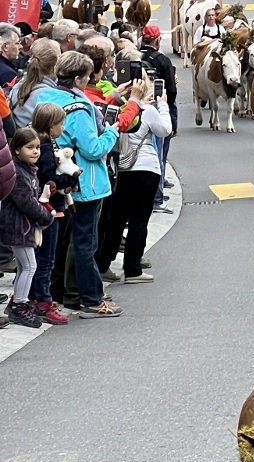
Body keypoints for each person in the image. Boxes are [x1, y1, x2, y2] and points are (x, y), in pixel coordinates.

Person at [39, 49, 121, 319]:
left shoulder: (47, 97)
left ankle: (61, 292)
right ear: (77, 79)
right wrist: (112, 131)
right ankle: (91, 298)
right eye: (87, 76)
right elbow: (93, 149)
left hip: (57, 179)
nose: (90, 80)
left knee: (63, 242)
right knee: (85, 242)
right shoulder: (79, 108)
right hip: (85, 181)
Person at [96, 76, 169, 285]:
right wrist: (163, 106)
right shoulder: (148, 111)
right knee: (139, 220)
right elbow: (165, 130)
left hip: (123, 169)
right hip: (146, 168)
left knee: (116, 220)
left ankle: (103, 264)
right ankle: (132, 268)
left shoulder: (116, 111)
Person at [0, 128, 54, 328]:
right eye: (29, 147)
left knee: (25, 266)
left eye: (37, 147)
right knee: (30, 266)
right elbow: (26, 202)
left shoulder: (28, 170)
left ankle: (17, 303)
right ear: (16, 150)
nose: (35, 151)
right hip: (18, 227)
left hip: (23, 226)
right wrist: (45, 215)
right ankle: (19, 306)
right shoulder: (18, 173)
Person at [29, 103, 71, 326]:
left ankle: (30, 298)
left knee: (39, 257)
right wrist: (70, 180)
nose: (62, 128)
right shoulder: (45, 148)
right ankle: (43, 302)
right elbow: (49, 178)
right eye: (60, 123)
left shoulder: (43, 144)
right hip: (49, 209)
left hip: (48, 207)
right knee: (46, 258)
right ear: (51, 125)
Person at [139, 25, 177, 215]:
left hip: (137, 108)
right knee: (159, 154)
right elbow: (171, 90)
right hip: (158, 109)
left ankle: (151, 194)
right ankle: (157, 197)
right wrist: (171, 115)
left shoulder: (135, 57)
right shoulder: (162, 60)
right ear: (157, 40)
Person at [10, 39, 59, 128]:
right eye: (59, 57)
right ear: (54, 67)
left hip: (19, 135)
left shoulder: (17, 86)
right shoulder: (51, 95)